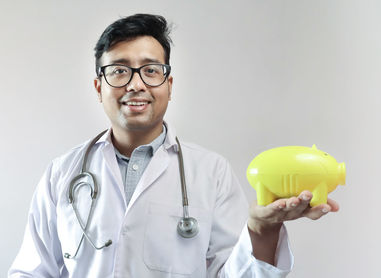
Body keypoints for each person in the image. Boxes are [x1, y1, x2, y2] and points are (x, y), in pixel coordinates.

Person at [8, 14, 339, 277]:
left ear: (169, 83)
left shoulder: (211, 173)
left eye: (151, 70)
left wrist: (262, 228)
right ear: (99, 87)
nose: (136, 84)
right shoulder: (61, 174)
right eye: (119, 71)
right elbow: (31, 271)